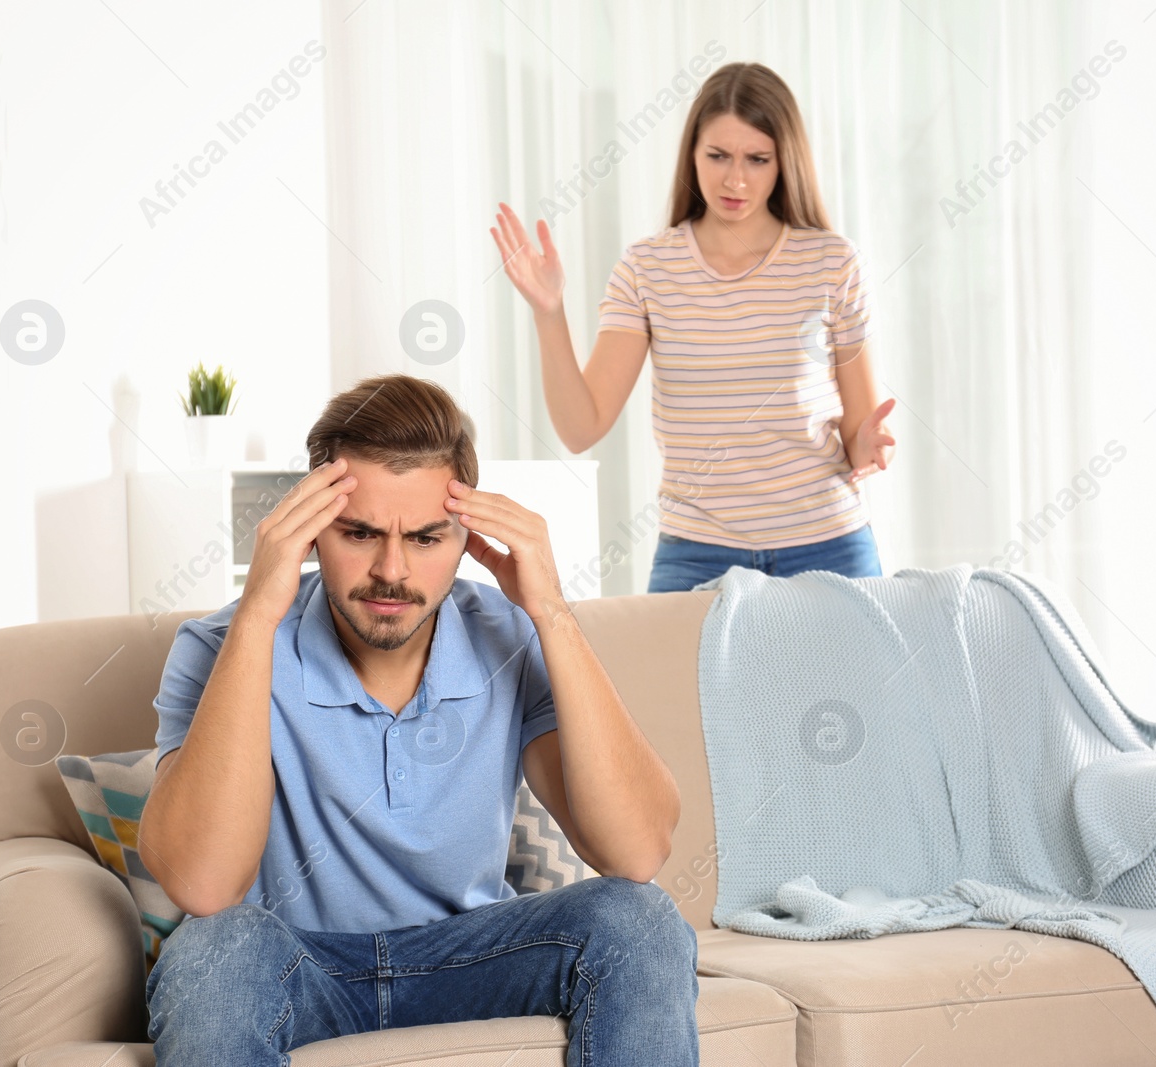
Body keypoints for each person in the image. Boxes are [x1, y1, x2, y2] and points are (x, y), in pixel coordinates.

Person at [137, 374, 697, 1065]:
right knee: (214, 948)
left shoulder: (510, 637)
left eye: (428, 537)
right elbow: (202, 884)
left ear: (468, 537)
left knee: (639, 922)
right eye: (360, 533)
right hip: (297, 964)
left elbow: (636, 850)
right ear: (309, 531)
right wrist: (257, 613)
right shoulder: (220, 644)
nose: (391, 571)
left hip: (472, 956)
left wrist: (551, 611)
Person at [492, 61, 896, 593]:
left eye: (757, 159)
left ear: (784, 162)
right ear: (692, 153)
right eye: (718, 156)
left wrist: (867, 446)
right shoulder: (648, 269)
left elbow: (858, 430)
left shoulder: (832, 263)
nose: (736, 178)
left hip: (828, 545)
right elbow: (580, 427)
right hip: (698, 555)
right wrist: (549, 312)